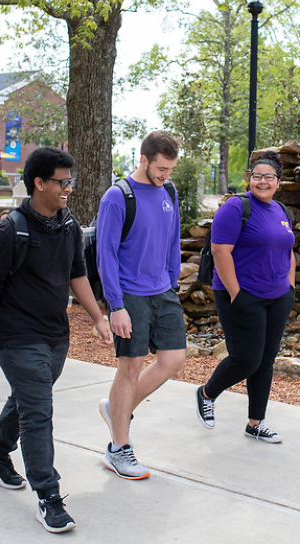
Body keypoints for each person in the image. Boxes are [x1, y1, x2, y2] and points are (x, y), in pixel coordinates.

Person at [0, 147, 112, 533]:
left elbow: (77, 273)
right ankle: (48, 497)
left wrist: (99, 318)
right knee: (38, 413)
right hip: (14, 335)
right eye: (62, 182)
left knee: (27, 400)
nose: (68, 189)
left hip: (54, 335)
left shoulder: (67, 224)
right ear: (39, 183)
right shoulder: (8, 231)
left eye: (70, 181)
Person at [96, 130, 186, 480]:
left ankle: (115, 407)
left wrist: (172, 276)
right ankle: (119, 448)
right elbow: (106, 255)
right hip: (129, 294)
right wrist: (115, 305)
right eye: (161, 168)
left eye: (170, 169)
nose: (165, 175)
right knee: (130, 367)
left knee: (174, 360)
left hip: (162, 290)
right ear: (144, 159)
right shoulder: (117, 198)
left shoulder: (169, 191)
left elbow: (172, 236)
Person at [196, 150, 296, 444]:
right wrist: (236, 294)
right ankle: (206, 393)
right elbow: (220, 251)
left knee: (265, 360)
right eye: (257, 176)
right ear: (249, 179)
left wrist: (290, 288)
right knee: (246, 359)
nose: (262, 181)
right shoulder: (235, 207)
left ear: (278, 181)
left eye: (269, 177)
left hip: (277, 296)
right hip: (241, 294)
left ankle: (256, 422)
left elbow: (288, 249)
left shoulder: (281, 211)